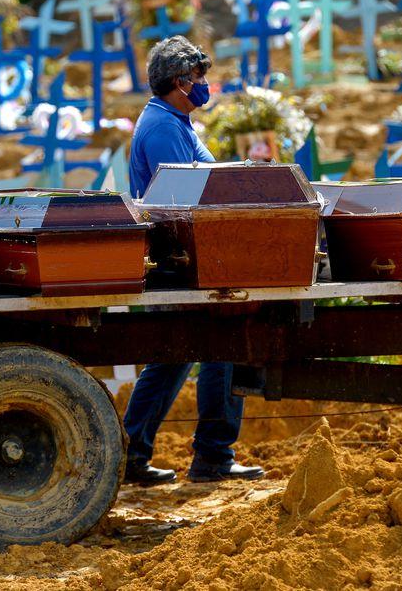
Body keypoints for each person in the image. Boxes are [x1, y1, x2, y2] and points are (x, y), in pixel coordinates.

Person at [123, 36, 265, 485]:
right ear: (178, 82)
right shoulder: (164, 128)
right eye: (199, 77)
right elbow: (187, 198)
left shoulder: (175, 121)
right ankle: (213, 457)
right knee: (221, 346)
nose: (205, 84)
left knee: (171, 359)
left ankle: (131, 455)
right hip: (184, 259)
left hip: (183, 256)